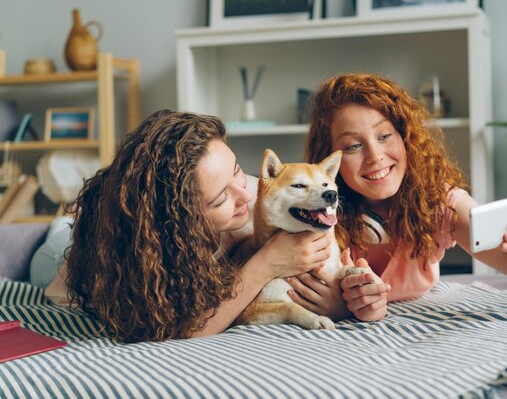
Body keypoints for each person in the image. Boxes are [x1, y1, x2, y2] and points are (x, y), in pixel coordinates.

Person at [284, 73, 507, 322]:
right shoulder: (314, 216)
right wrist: (343, 309)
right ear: (329, 159)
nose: (375, 156)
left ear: (405, 138)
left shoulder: (438, 202)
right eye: (354, 145)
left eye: (384, 136)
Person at [42, 109, 332, 342]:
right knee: (59, 236)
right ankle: (65, 221)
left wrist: (337, 302)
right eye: (220, 200)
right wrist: (265, 264)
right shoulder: (146, 257)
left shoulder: (254, 202)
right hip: (57, 254)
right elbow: (186, 328)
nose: (245, 194)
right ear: (181, 220)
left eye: (237, 171)